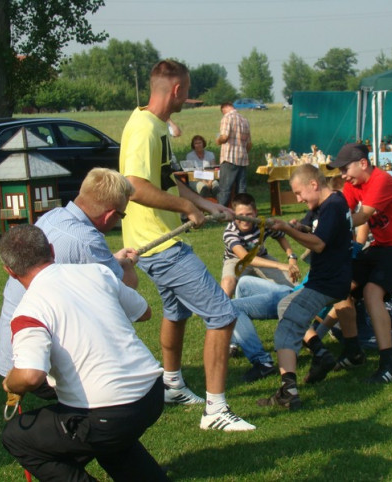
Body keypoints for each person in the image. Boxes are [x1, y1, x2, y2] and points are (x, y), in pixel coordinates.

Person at [120, 59, 254, 431]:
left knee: (176, 312)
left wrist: (205, 203)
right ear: (176, 90)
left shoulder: (158, 126)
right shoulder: (143, 129)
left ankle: (173, 385)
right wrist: (184, 208)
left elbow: (165, 181)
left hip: (152, 240)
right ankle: (215, 411)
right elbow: (133, 186)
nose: (188, 96)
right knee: (222, 315)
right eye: (188, 89)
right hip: (157, 244)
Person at [0, 225, 168, 482]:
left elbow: (31, 376)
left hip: (106, 412)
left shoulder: (28, 310)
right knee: (105, 437)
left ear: (9, 271)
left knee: (17, 436)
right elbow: (144, 312)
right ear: (52, 251)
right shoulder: (97, 272)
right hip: (152, 394)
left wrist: (10, 382)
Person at [0, 168, 139, 382]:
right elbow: (125, 289)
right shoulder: (87, 240)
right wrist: (127, 266)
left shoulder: (54, 215)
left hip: (11, 350)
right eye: (122, 215)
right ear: (110, 214)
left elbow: (78, 263)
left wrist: (111, 259)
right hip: (34, 361)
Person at [328, 143, 392, 384]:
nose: (343, 176)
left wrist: (329, 225)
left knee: (372, 291)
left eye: (345, 169)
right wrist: (312, 219)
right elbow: (342, 208)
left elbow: (361, 216)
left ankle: (388, 365)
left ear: (363, 163)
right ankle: (354, 351)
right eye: (340, 171)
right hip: (383, 246)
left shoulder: (381, 180)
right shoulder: (353, 184)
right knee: (342, 282)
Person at [257, 164, 352, 410]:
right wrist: (296, 226)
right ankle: (320, 354)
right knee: (285, 304)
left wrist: (288, 229)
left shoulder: (333, 206)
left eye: (299, 193)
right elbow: (311, 227)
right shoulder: (323, 206)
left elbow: (319, 244)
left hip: (327, 283)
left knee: (284, 332)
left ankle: (288, 392)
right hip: (329, 280)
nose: (298, 199)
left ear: (314, 184)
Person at [221, 192, 300, 297]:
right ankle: (222, 310)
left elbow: (280, 236)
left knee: (294, 285)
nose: (245, 219)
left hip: (261, 257)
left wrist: (291, 257)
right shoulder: (230, 232)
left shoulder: (262, 224)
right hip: (236, 261)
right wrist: (281, 266)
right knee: (228, 282)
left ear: (255, 213)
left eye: (249, 214)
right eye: (240, 215)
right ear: (234, 214)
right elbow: (247, 258)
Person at [216, 102, 252, 206]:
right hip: (243, 158)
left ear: (224, 109)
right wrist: (244, 152)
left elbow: (224, 137)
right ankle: (243, 211)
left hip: (229, 157)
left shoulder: (227, 118)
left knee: (225, 188)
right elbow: (249, 144)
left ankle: (220, 212)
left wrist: (218, 141)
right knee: (241, 189)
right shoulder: (245, 120)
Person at [185, 134, 219, 199]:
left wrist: (209, 182)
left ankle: (218, 205)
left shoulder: (210, 154)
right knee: (203, 187)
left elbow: (214, 169)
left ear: (203, 144)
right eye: (196, 143)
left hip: (210, 178)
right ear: (193, 145)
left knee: (216, 186)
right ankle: (202, 206)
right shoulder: (189, 156)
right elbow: (191, 173)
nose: (198, 145)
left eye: (200, 143)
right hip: (196, 179)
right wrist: (204, 182)